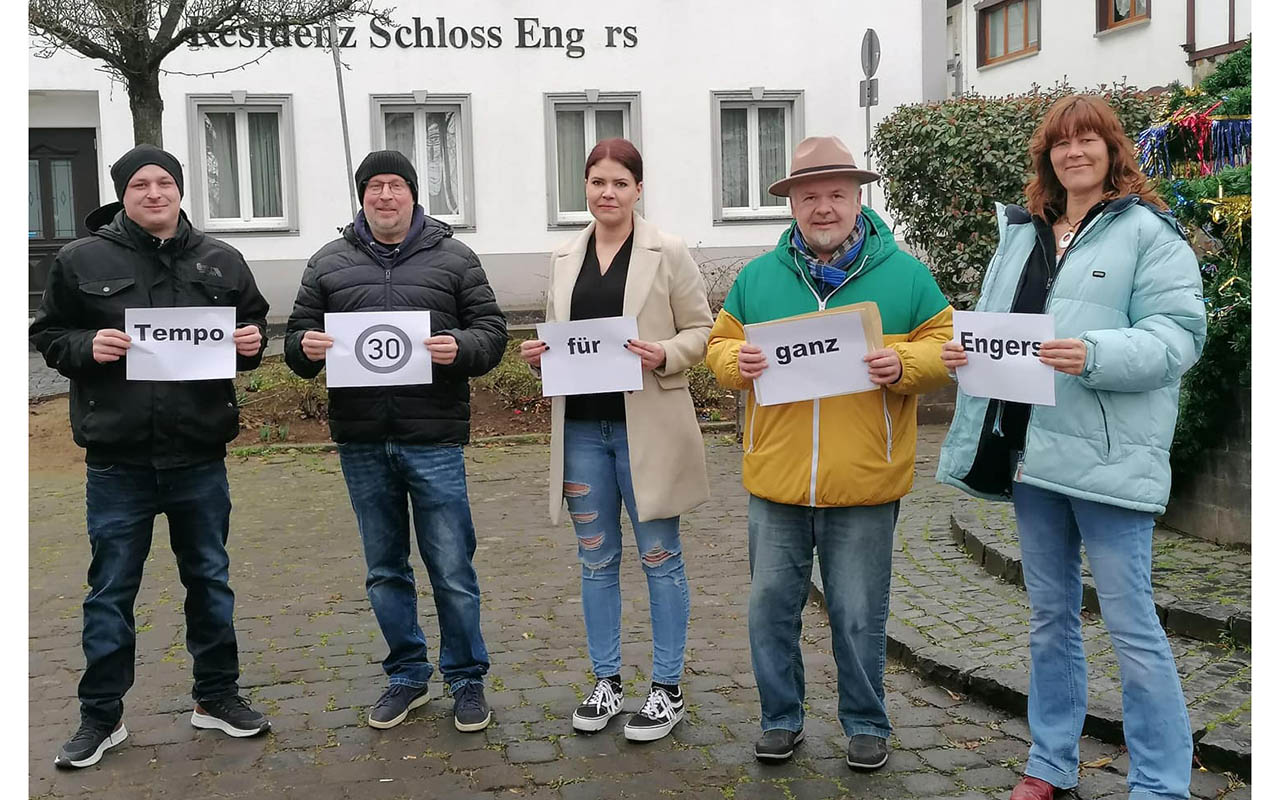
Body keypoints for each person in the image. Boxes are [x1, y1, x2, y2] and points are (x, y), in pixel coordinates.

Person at [936, 95, 1205, 800]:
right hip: (1033, 459)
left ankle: (1161, 781)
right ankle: (1049, 763)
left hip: (1111, 462)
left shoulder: (1150, 233)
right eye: (1061, 142)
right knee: (1050, 620)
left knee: (1131, 624)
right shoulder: (1022, 233)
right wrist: (968, 353)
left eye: (1088, 140)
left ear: (1113, 151)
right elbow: (1001, 330)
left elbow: (1179, 337)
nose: (1073, 152)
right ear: (1047, 156)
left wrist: (1090, 353)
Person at [705, 136, 953, 768]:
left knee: (858, 615)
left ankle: (866, 722)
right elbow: (718, 348)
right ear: (791, 204)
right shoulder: (759, 278)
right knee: (769, 612)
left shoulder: (905, 275)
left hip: (865, 480)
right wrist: (738, 362)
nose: (823, 208)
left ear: (857, 198)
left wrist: (903, 361)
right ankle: (780, 718)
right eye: (809, 196)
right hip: (777, 481)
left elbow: (945, 345)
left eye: (836, 194)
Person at [30, 144, 272, 769]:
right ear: (123, 194)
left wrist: (250, 343)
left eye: (165, 182)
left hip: (198, 451)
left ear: (180, 190)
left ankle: (216, 696)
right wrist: (88, 346)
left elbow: (251, 331)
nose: (155, 193)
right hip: (119, 458)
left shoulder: (222, 258)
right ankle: (100, 717)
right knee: (110, 590)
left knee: (210, 581)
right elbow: (49, 334)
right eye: (141, 184)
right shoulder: (81, 259)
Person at [284, 150, 507, 733]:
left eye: (395, 185)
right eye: (374, 186)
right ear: (362, 196)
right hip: (361, 439)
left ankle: (466, 678)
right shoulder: (327, 262)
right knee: (385, 568)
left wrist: (461, 347)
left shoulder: (454, 258)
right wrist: (304, 348)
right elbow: (296, 338)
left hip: (432, 436)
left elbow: (492, 334)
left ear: (413, 193)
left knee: (452, 565)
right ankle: (406, 674)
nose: (385, 196)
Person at [519, 138, 713, 742]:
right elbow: (561, 337)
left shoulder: (668, 251)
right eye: (597, 182)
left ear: (638, 189)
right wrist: (539, 356)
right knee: (596, 560)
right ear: (585, 187)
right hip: (581, 429)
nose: (608, 193)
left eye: (619, 183)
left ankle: (666, 687)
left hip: (646, 428)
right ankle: (606, 682)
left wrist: (665, 354)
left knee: (660, 557)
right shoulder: (562, 258)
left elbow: (704, 329)